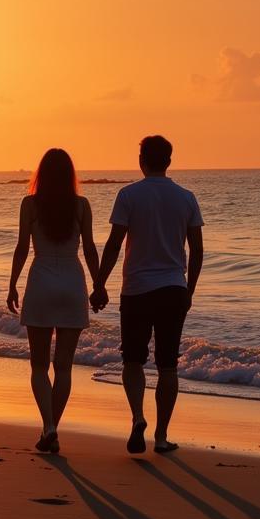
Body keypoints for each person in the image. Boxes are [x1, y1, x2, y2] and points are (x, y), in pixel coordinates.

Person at [91, 135, 203, 455]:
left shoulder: (129, 195)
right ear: (169, 161)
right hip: (172, 288)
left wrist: (100, 283)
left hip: (137, 289)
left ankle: (138, 417)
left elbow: (114, 244)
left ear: (142, 161)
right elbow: (196, 250)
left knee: (132, 359)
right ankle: (162, 436)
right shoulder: (186, 198)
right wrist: (189, 290)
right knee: (168, 364)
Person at [7, 148, 101, 453]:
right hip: (73, 282)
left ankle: (48, 427)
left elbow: (22, 247)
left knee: (38, 365)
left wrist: (12, 285)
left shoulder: (30, 204)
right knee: (64, 368)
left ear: (41, 174)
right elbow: (89, 249)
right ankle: (52, 428)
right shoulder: (82, 206)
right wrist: (98, 285)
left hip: (41, 280)